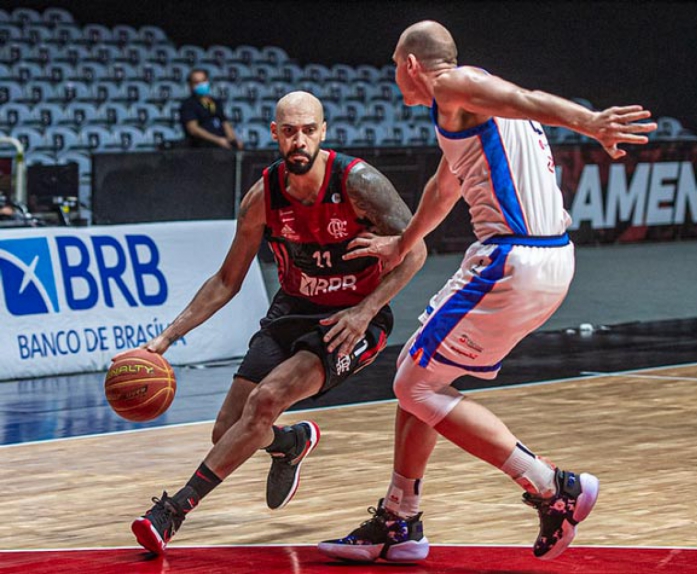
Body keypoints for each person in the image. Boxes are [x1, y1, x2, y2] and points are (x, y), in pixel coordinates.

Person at [317, 21, 656, 563]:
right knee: (423, 374)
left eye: (394, 68)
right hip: (547, 259)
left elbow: (526, 98)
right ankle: (399, 519)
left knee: (414, 384)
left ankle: (553, 486)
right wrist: (402, 244)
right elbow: (444, 185)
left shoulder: (455, 85)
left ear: (410, 66)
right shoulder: (464, 110)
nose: (394, 80)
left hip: (511, 259)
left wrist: (589, 121)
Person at [130, 91, 426, 556]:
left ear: (323, 132)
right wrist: (166, 338)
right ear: (276, 134)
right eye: (290, 131)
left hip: (350, 320)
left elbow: (417, 252)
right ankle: (289, 442)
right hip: (291, 310)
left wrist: (365, 310)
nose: (299, 140)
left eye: (308, 129)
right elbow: (227, 280)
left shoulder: (359, 184)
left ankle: (173, 511)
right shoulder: (262, 199)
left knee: (266, 399)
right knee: (226, 427)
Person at [179, 68, 244, 150]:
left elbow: (225, 123)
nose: (201, 85)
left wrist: (233, 141)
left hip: (223, 146)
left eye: (203, 81)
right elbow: (193, 129)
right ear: (190, 86)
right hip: (202, 149)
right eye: (197, 82)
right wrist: (217, 140)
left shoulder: (215, 102)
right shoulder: (188, 104)